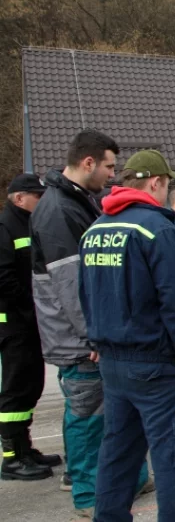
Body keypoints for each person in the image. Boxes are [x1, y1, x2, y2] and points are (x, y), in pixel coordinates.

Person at [78, 150, 175, 521]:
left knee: (118, 454)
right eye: (167, 185)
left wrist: (96, 342)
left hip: (114, 362)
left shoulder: (96, 228)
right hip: (159, 364)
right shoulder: (157, 228)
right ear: (155, 183)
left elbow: (86, 293)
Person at [30, 130, 151, 516]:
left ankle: (127, 480)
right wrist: (93, 338)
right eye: (110, 167)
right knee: (85, 418)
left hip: (92, 334)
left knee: (109, 415)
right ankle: (86, 495)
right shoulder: (59, 211)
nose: (113, 176)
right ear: (88, 162)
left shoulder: (79, 202)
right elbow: (71, 285)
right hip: (78, 340)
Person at [0, 173, 61, 481]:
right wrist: (31, 307)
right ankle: (11, 458)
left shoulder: (25, 223)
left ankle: (25, 448)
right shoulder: (5, 227)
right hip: (14, 324)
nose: (41, 201)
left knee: (29, 386)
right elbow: (5, 279)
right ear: (19, 198)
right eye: (37, 196)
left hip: (28, 322)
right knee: (15, 391)